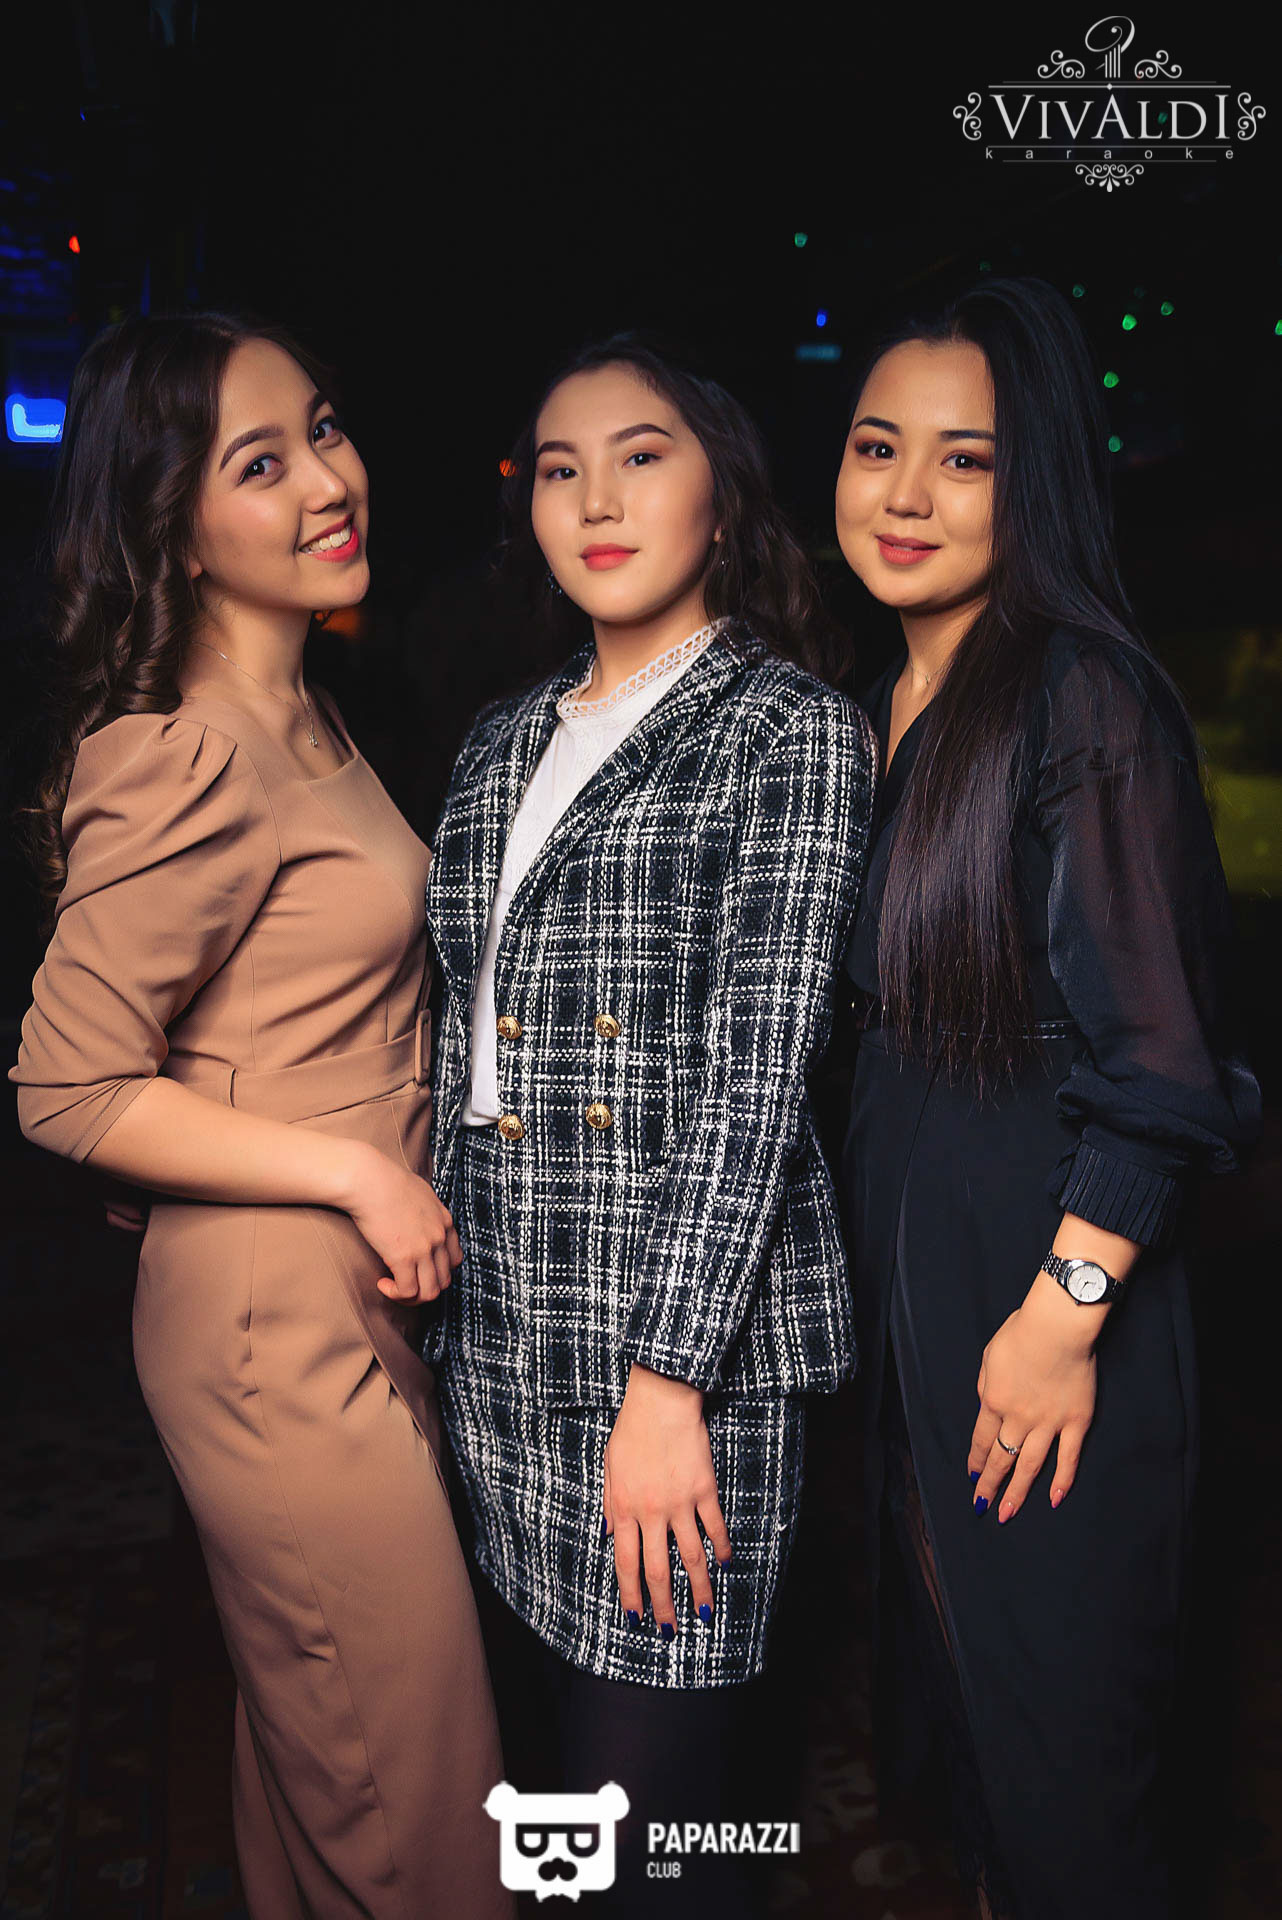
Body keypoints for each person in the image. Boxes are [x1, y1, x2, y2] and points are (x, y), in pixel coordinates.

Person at [11, 313, 513, 1920]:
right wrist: (350, 1174)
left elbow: (253, 1020)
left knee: (324, 1769)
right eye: (258, 462)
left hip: (341, 1298)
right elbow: (67, 1084)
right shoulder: (188, 750)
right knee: (420, 1809)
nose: (325, 480)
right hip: (271, 1329)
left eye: (324, 429)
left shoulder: (310, 710)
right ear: (174, 523)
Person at [423, 336, 876, 1914]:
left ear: (720, 494)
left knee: (653, 1841)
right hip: (496, 1339)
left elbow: (761, 1076)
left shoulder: (788, 728)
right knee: (543, 1813)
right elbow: (456, 1044)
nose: (596, 501)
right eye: (560, 469)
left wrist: (668, 1384)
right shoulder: (497, 741)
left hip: (676, 1360)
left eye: (640, 456)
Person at [834, 276, 1261, 1919]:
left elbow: (1162, 1070)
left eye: (967, 459)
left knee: (1072, 1788)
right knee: (981, 1760)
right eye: (877, 446)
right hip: (925, 1302)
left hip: (1042, 1314)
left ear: (1043, 484)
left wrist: (1060, 1315)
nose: (906, 493)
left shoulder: (1081, 695)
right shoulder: (883, 703)